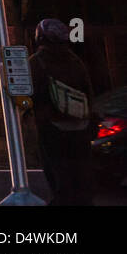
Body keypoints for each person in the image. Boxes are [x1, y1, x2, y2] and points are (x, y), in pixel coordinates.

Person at [28, 18, 95, 205]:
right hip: (79, 124)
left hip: (52, 126)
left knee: (59, 174)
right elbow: (88, 90)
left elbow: (27, 94)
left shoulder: (36, 62)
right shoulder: (75, 61)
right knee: (81, 175)